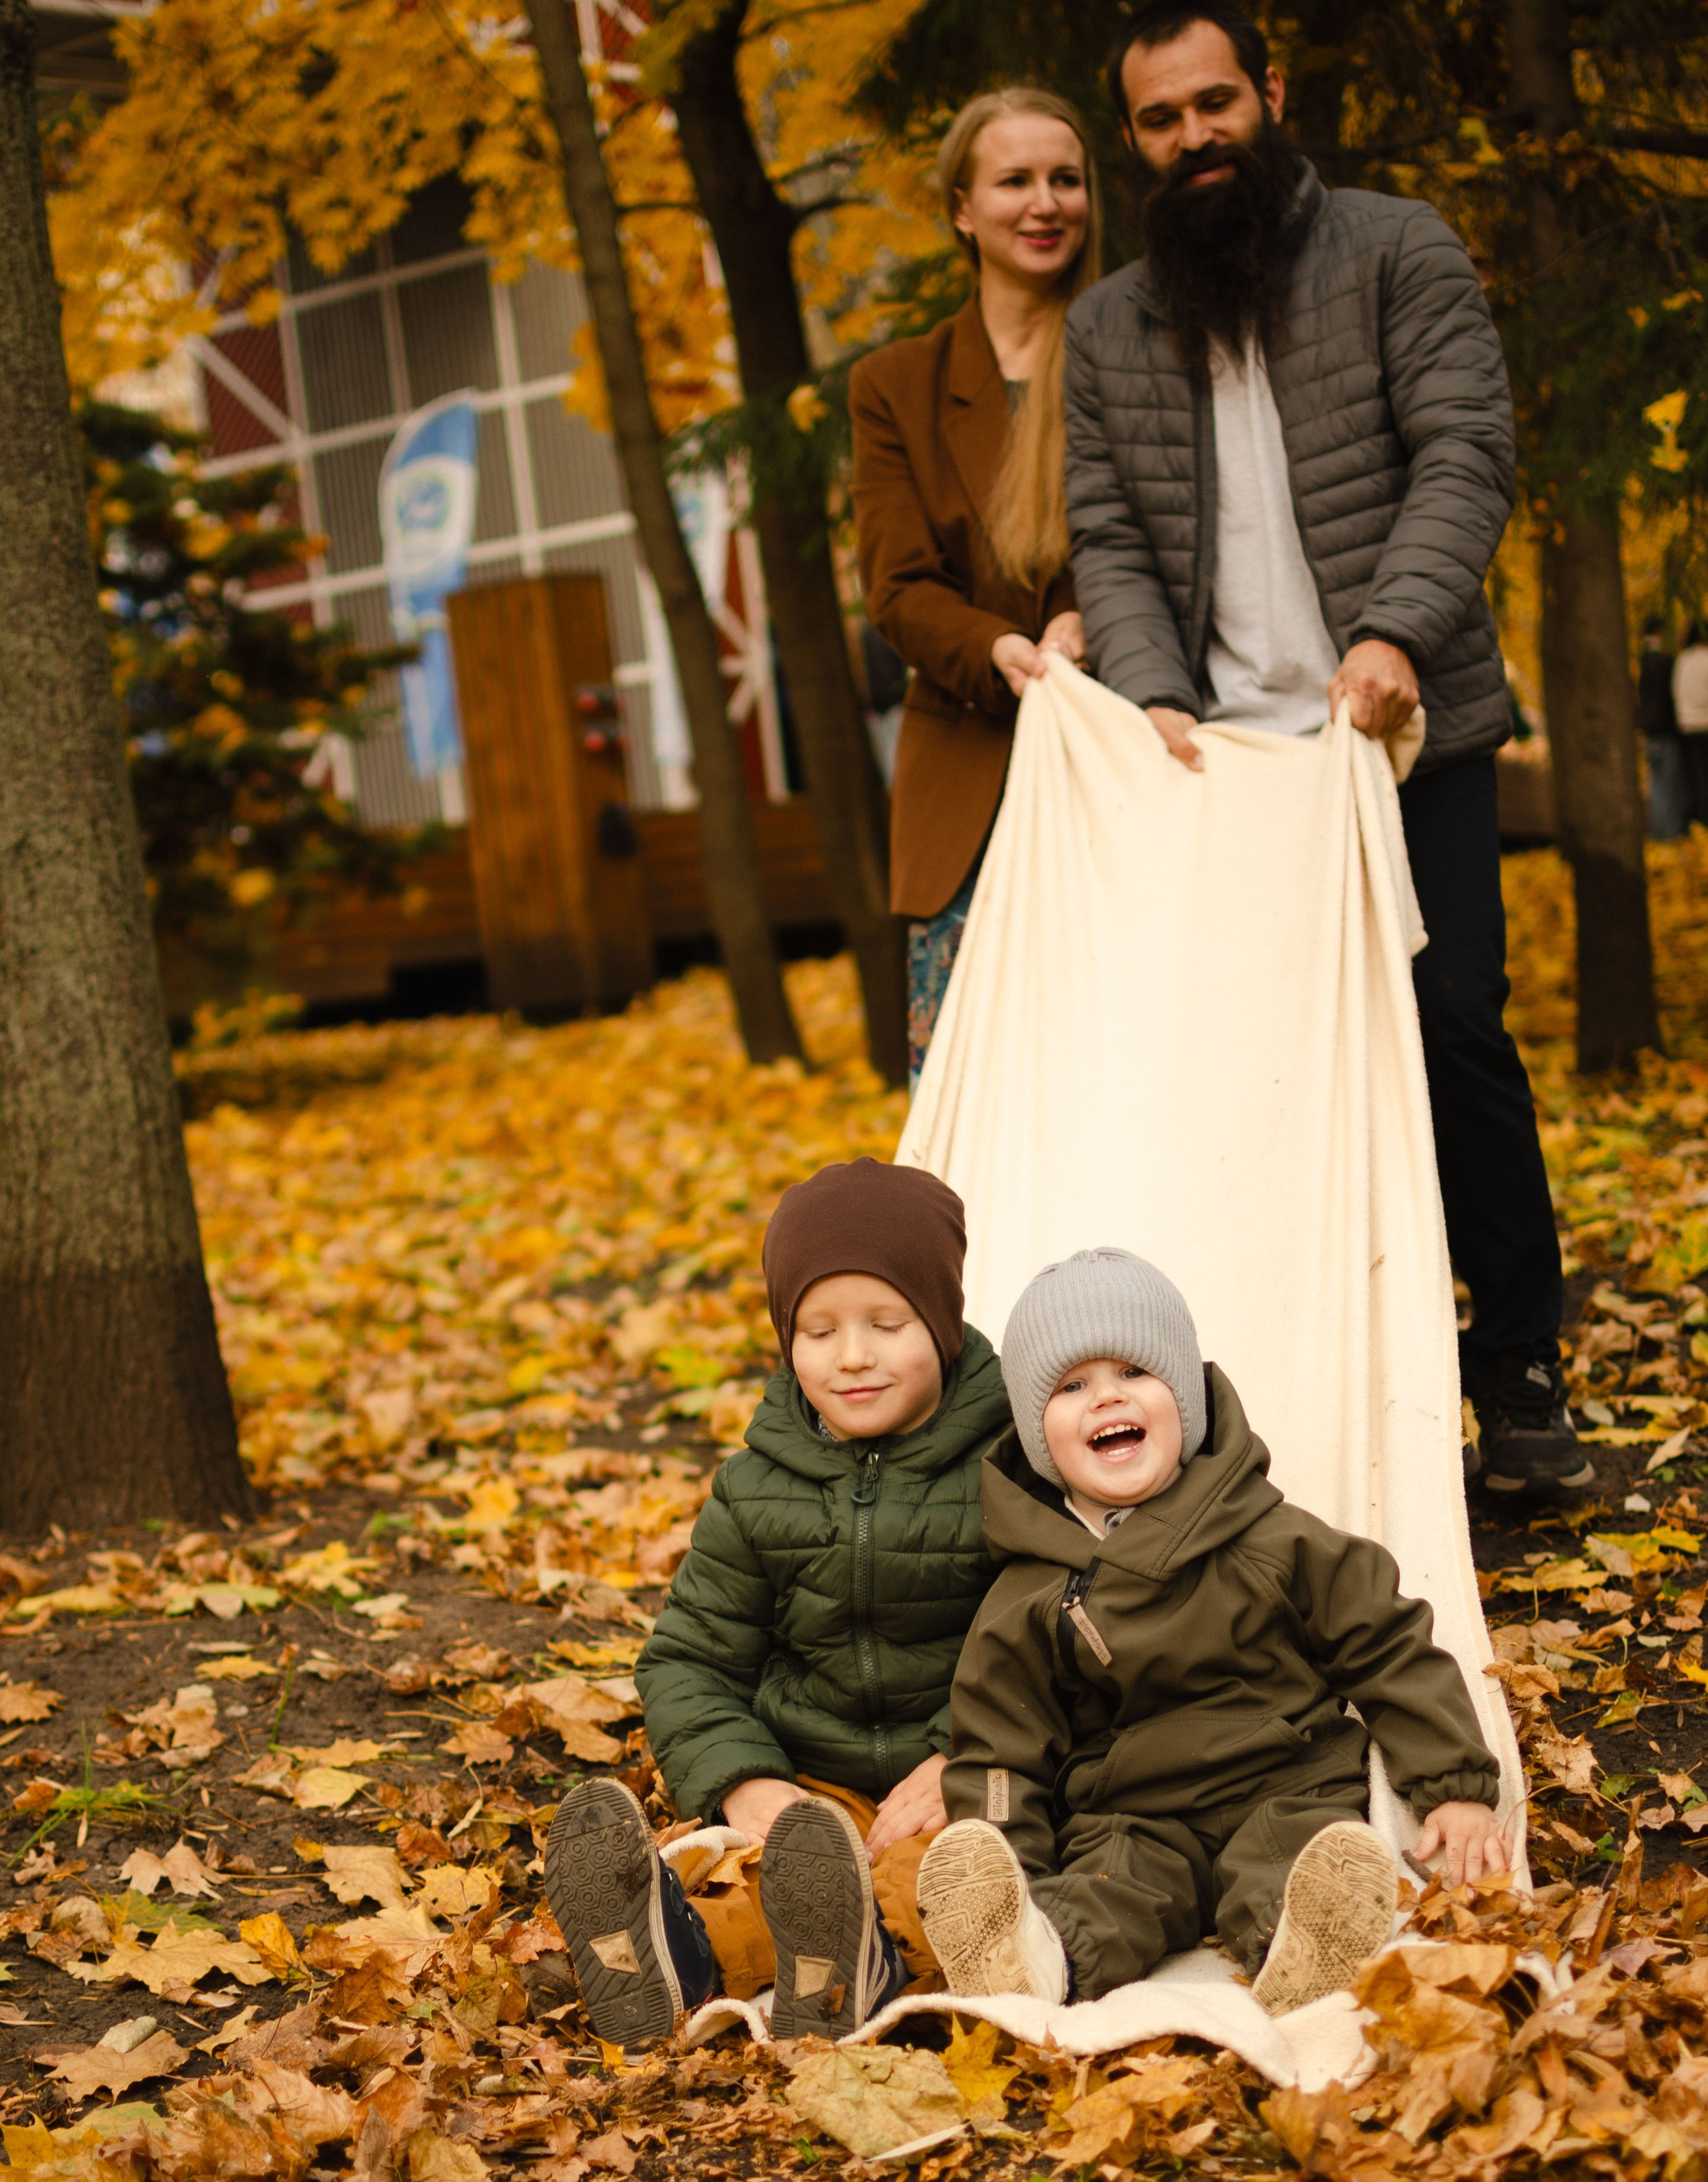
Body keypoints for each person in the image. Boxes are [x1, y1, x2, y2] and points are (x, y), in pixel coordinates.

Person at [1059, 3, 1587, 1501]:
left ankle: (1521, 1376)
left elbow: (1464, 448)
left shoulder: (1393, 247)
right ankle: (1328, 1394)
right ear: (1136, 139)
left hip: (1404, 736)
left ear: (1268, 93)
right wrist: (1155, 696)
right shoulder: (1111, 324)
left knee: (1449, 1036)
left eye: (1213, 103)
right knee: (1272, 1086)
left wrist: (1394, 635)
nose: (1192, 139)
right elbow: (1108, 532)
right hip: (1227, 780)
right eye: (1159, 121)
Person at [916, 1248, 1507, 2012]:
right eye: (1070, 1386)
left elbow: (1385, 1641)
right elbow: (1000, 1748)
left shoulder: (1267, 1536)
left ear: (1184, 1398)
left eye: (1133, 1372)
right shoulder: (1031, 1591)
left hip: (1283, 1780)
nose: (1105, 1398)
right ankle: (1032, 1952)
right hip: (1131, 1813)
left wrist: (1453, 1783)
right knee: (1110, 1890)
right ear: (1039, 1437)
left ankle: (1308, 1943)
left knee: (1297, 1861)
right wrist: (1009, 1870)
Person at [544, 1158, 1011, 2047]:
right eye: (818, 1329)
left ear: (944, 1323)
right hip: (816, 1778)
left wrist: (969, 1749)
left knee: (949, 1880)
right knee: (778, 1877)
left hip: (960, 1775)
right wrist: (748, 1779)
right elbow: (689, 1657)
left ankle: (861, 1963)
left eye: (887, 1322)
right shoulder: (760, 1487)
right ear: (786, 1338)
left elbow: (1046, 1637)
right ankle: (673, 1951)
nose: (854, 1355)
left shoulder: (1010, 1467)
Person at [850, 89, 1102, 1084]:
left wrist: (1099, 622)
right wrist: (999, 649)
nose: (1046, 204)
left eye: (1067, 180)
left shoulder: (1139, 353)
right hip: (968, 778)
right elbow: (898, 586)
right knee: (972, 1109)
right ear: (963, 208)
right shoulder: (896, 385)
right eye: (1016, 181)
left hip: (1121, 767)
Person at [1639, 620, 1690, 841]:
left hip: (1650, 732)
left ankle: (1660, 834)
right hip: (1666, 732)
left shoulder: (1643, 662)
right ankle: (1669, 834)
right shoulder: (1667, 663)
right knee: (1669, 787)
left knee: (1658, 787)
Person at [1675, 621, 1708, 827]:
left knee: (1697, 775)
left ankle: (1701, 818)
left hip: (1689, 725)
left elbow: (1677, 691)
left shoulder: (1683, 660)